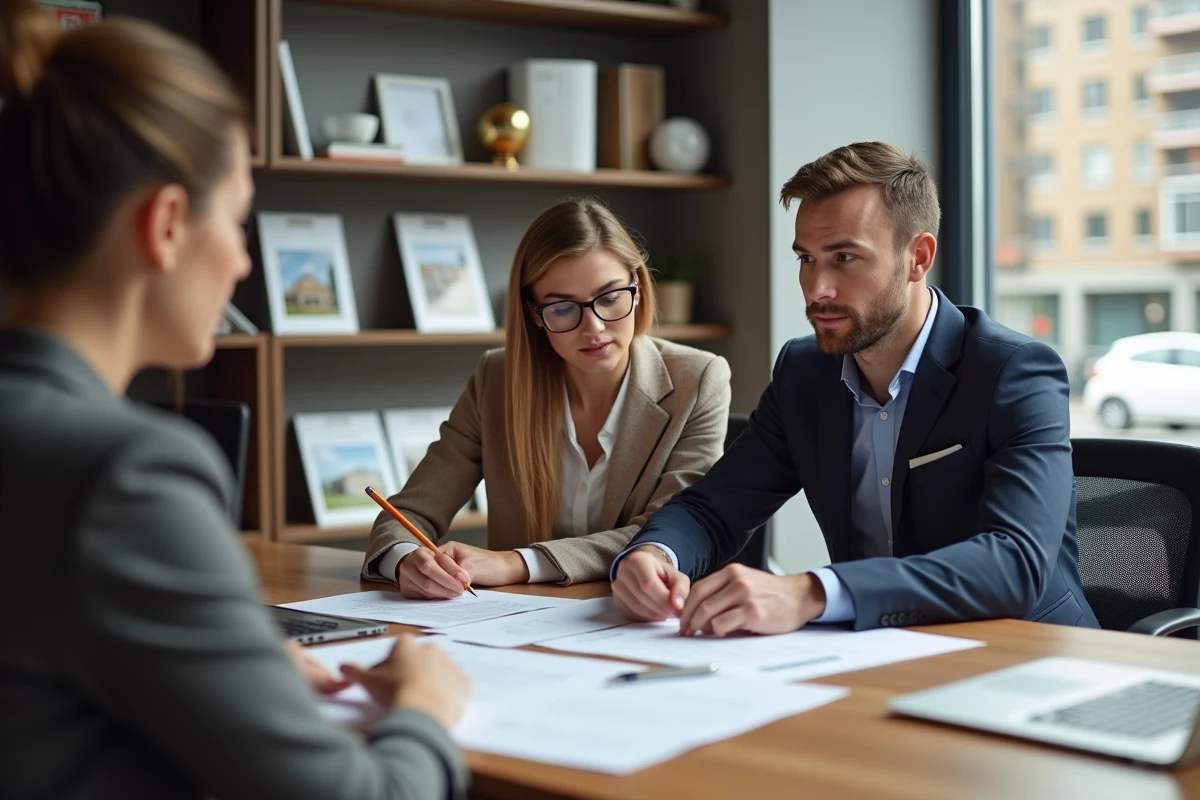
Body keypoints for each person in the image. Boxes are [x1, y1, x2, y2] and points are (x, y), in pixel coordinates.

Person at [0, 4, 470, 798]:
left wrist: (223, 663)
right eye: (240, 219)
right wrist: (426, 710)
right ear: (169, 225)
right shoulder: (126, 476)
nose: (246, 264)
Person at [611, 141, 1100, 635]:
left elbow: (1016, 564)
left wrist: (813, 591)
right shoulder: (804, 373)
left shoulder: (1013, 372)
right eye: (806, 258)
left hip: (1023, 652)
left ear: (918, 257)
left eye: (844, 257)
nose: (817, 288)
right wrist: (653, 554)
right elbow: (713, 507)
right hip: (875, 653)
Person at [362, 198, 732, 597]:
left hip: (644, 618)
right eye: (562, 308)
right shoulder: (497, 380)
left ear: (638, 289)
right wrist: (404, 559)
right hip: (519, 626)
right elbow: (409, 511)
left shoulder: (699, 380)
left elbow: (669, 531)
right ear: (535, 314)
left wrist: (517, 561)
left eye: (610, 298)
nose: (593, 328)